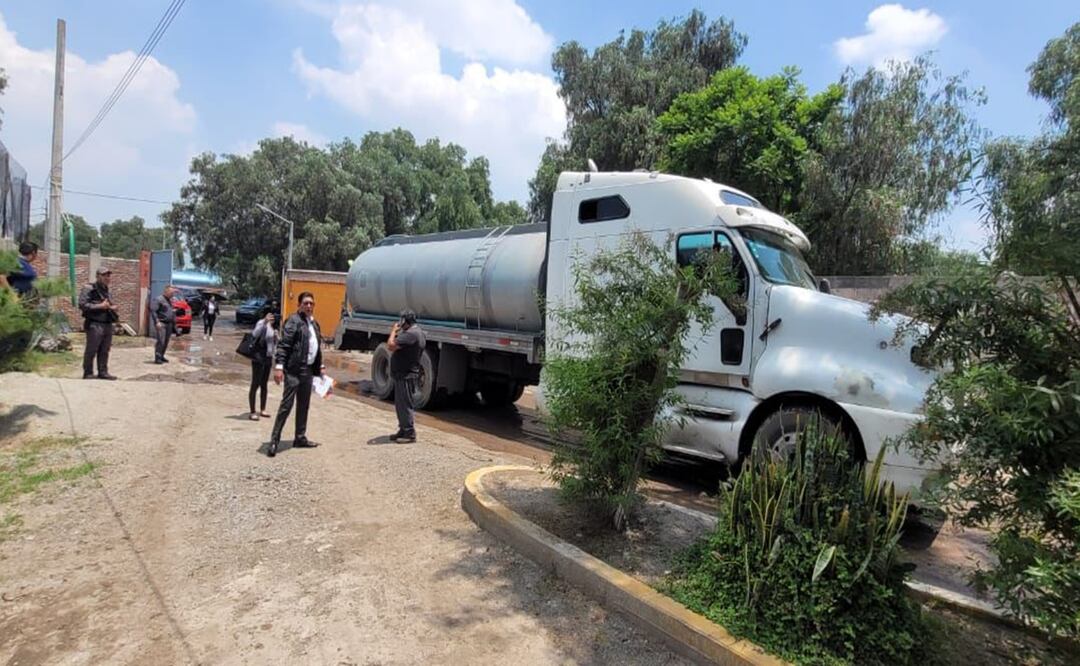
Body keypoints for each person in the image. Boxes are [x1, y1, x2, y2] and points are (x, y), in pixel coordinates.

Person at [268, 291, 325, 457]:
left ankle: (300, 438)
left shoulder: (314, 324)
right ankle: (274, 440)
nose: (309, 306)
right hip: (294, 371)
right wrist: (279, 367)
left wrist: (320, 365)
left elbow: (316, 346)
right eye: (305, 303)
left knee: (304, 405)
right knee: (286, 406)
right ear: (299, 305)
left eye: (311, 303)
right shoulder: (293, 321)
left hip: (308, 371)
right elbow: (284, 345)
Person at [387, 309, 425, 443]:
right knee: (400, 404)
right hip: (403, 374)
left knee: (404, 404)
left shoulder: (411, 334)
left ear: (405, 321)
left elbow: (391, 345)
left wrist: (393, 331)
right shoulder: (414, 332)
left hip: (406, 375)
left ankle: (409, 432)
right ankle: (403, 429)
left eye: (401, 320)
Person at [78, 266, 119, 380]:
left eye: (108, 275)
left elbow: (108, 304)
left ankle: (103, 372)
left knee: (105, 350)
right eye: (104, 275)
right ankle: (88, 372)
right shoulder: (89, 288)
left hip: (107, 323)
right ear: (97, 276)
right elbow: (82, 305)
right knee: (92, 349)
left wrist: (112, 307)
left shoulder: (107, 290)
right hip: (94, 323)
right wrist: (100, 306)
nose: (107, 277)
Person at [248, 311, 278, 421]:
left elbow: (273, 344)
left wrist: (276, 338)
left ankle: (263, 409)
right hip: (258, 356)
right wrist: (264, 321)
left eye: (273, 316)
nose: (272, 317)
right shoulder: (261, 322)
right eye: (270, 315)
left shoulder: (272, 327)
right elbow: (255, 334)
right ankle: (252, 411)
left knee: (264, 384)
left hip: (268, 357)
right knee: (255, 383)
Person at [151, 285, 177, 364]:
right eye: (171, 292)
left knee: (166, 341)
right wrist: (157, 322)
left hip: (169, 324)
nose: (173, 294)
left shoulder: (169, 300)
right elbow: (153, 311)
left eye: (173, 293)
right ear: (166, 291)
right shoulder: (159, 299)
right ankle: (157, 357)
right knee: (161, 341)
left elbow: (168, 311)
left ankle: (162, 356)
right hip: (162, 323)